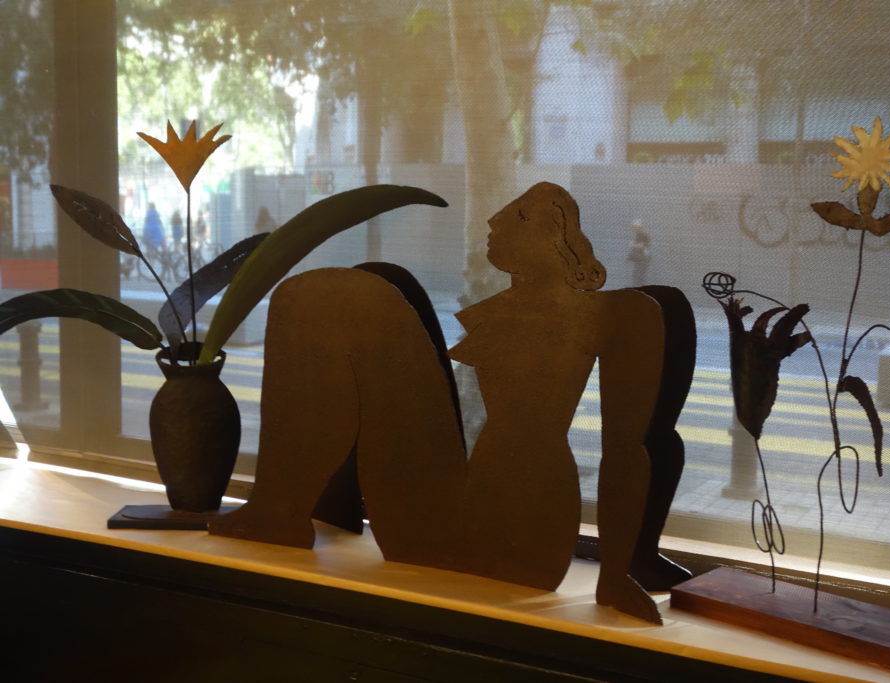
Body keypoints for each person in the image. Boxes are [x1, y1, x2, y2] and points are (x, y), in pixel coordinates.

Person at [210, 182, 691, 622]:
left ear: (554, 236)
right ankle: (277, 511)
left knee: (340, 291)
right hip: (445, 507)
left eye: (520, 216)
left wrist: (615, 577)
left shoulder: (614, 314)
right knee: (326, 292)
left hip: (522, 533)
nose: (494, 222)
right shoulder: (505, 308)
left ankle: (276, 512)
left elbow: (627, 451)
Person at [628, 218, 651, 286]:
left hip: (642, 258)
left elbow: (642, 246)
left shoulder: (643, 235)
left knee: (639, 276)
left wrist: (632, 245)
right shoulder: (638, 235)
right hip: (639, 258)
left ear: (638, 227)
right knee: (637, 275)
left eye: (635, 227)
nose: (633, 229)